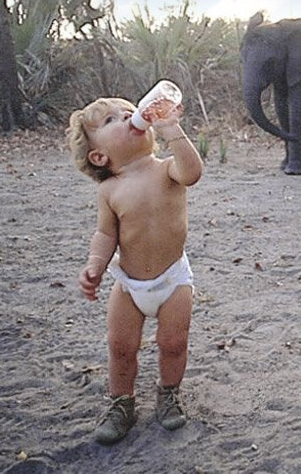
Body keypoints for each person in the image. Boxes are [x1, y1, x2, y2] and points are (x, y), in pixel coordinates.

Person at [65, 93, 203, 445]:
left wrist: (172, 129)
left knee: (173, 343)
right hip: (128, 285)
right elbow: (105, 234)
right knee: (120, 346)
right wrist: (95, 265)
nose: (130, 117)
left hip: (173, 279)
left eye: (131, 111)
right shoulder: (110, 190)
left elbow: (193, 172)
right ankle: (121, 403)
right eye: (112, 120)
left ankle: (168, 393)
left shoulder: (165, 168)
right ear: (99, 156)